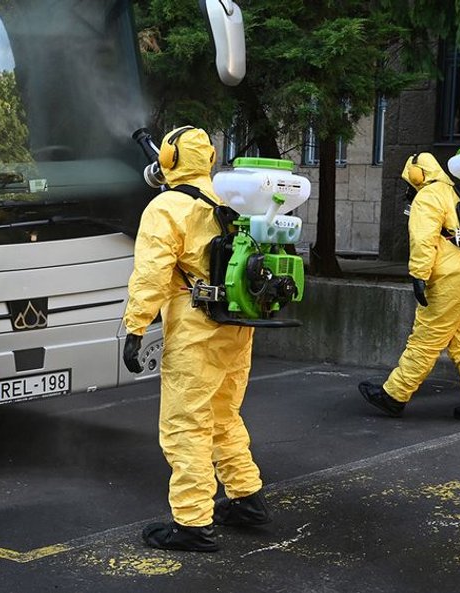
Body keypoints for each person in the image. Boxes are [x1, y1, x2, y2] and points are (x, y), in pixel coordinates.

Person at [122, 126, 271, 553]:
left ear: (168, 161)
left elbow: (151, 273)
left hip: (196, 326)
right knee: (223, 414)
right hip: (238, 322)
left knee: (186, 422)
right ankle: (246, 497)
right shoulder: (231, 200)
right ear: (208, 159)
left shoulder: (166, 206)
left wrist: (135, 327)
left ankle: (191, 523)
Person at [359, 152, 460, 425]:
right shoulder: (458, 192)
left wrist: (418, 275)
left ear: (416, 174)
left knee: (425, 340)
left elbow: (424, 239)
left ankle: (394, 395)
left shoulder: (429, 195)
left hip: (453, 277)